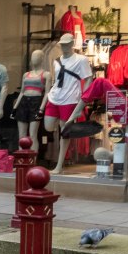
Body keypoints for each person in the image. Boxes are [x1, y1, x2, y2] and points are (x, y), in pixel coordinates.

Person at [43, 33, 93, 174]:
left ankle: (59, 165)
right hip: (54, 97)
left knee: (64, 133)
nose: (64, 47)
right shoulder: (56, 61)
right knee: (48, 126)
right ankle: (64, 128)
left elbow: (88, 79)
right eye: (62, 44)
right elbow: (56, 80)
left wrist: (83, 98)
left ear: (71, 44)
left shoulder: (81, 60)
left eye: (66, 44)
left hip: (70, 99)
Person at [11, 50, 51, 152]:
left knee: (33, 134)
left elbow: (47, 93)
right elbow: (22, 92)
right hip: (23, 102)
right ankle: (21, 158)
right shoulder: (26, 75)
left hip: (36, 102)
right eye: (33, 56)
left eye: (36, 56)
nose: (34, 58)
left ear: (42, 58)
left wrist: (41, 109)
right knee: (22, 135)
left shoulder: (46, 74)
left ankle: (33, 160)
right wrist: (15, 108)